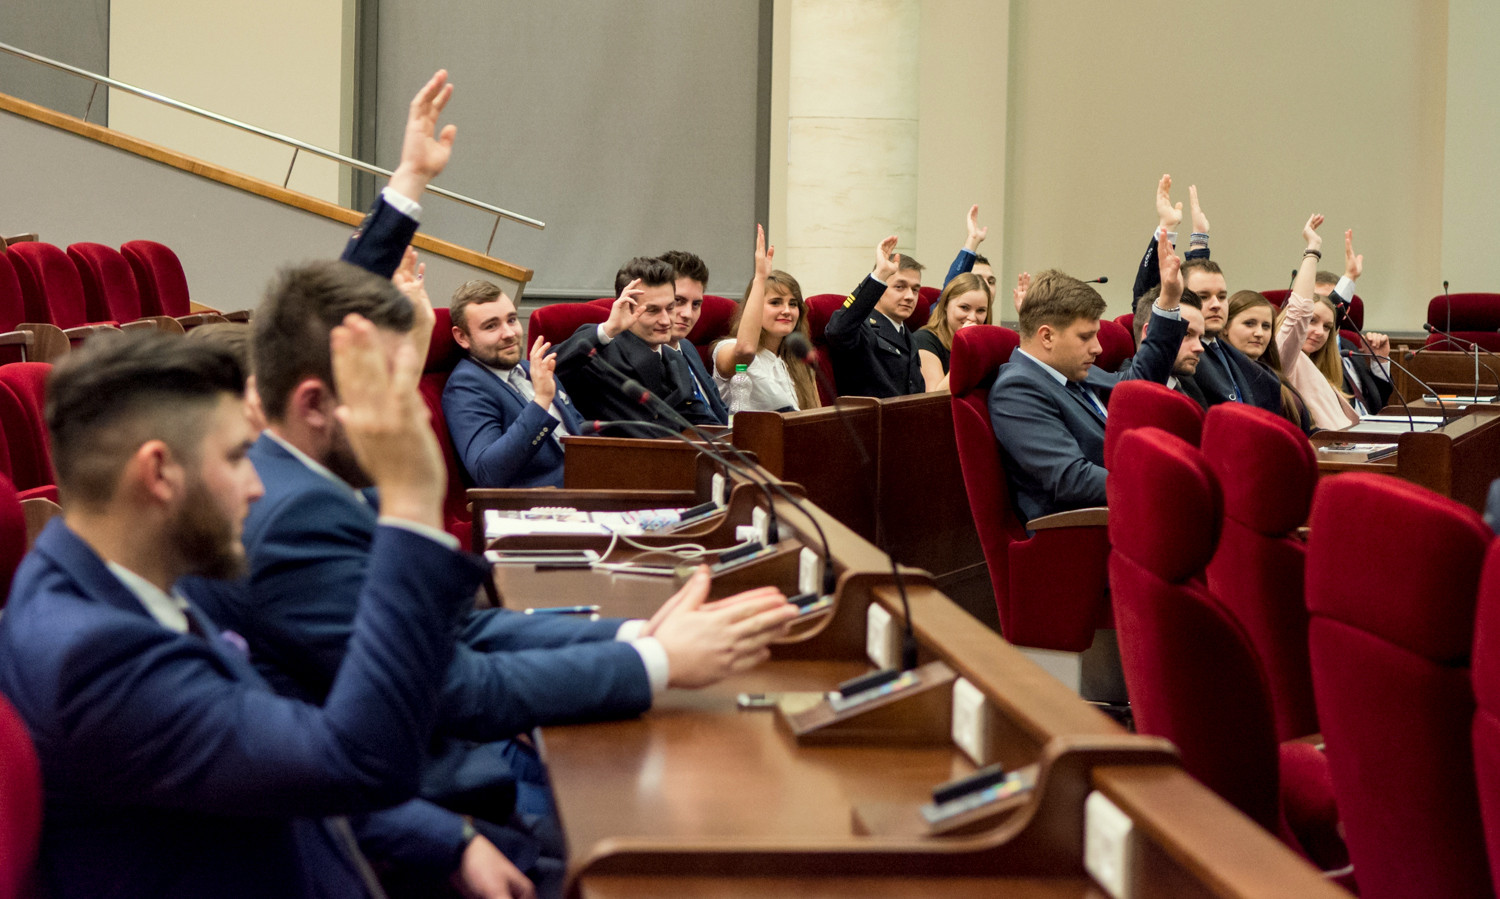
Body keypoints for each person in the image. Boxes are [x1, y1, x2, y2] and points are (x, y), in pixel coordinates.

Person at [0, 324, 495, 898]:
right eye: (238, 456)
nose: (257, 486)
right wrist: (410, 506)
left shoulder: (101, 574)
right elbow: (353, 761)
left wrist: (449, 840)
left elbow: (264, 754)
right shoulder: (93, 656)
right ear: (159, 473)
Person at [989, 229, 1187, 523]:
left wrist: (1169, 299)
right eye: (1085, 337)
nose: (1098, 348)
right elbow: (1072, 479)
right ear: (1047, 336)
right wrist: (1155, 484)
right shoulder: (1017, 389)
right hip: (1080, 529)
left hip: (1122, 508)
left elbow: (1138, 386)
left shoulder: (1068, 369)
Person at [443, 278, 587, 488]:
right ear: (462, 337)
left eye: (511, 320)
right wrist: (541, 402)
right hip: (542, 500)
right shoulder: (465, 386)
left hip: (590, 483)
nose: (510, 334)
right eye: (491, 326)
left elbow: (580, 430)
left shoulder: (531, 368)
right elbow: (488, 472)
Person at [552, 257, 712, 435]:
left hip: (675, 451)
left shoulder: (675, 358)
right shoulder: (602, 350)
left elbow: (699, 421)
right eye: (653, 310)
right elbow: (546, 368)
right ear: (627, 307)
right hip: (615, 451)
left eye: (670, 308)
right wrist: (608, 329)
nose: (666, 320)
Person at [711, 225, 820, 412]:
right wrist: (760, 279)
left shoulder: (798, 361)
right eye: (775, 303)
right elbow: (745, 350)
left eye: (793, 304)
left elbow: (817, 417)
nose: (787, 311)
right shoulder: (727, 348)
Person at [1273, 215, 1359, 431]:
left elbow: (1335, 312)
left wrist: (1350, 278)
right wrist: (1313, 249)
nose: (1320, 332)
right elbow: (1299, 312)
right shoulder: (1285, 357)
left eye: (1327, 327)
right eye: (1311, 321)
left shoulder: (1318, 366)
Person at [824, 236, 926, 398]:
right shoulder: (863, 328)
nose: (909, 296)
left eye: (915, 290)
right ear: (880, 288)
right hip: (870, 414)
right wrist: (879, 275)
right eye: (899, 287)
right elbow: (837, 331)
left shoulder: (908, 334)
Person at [1312, 234, 1393, 415]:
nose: (1322, 306)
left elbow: (1378, 403)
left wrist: (1379, 361)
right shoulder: (1309, 350)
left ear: (1345, 310)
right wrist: (1350, 278)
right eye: (1314, 299)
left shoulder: (1349, 346)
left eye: (1328, 301)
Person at [1223, 290, 1314, 432]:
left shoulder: (1272, 373)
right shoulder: (1222, 373)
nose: (1259, 333)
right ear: (1225, 327)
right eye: (1249, 324)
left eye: (1266, 326)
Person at [659, 250, 728, 424]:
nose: (688, 314)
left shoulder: (687, 347)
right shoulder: (646, 358)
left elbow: (720, 410)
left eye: (696, 304)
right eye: (678, 301)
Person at [914, 272, 993, 391]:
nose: (972, 317)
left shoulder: (987, 344)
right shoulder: (923, 340)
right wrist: (965, 348)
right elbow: (935, 396)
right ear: (945, 305)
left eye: (980, 310)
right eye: (964, 308)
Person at [1132, 288, 1206, 407]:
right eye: (1186, 333)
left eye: (1200, 338)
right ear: (1149, 333)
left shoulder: (1190, 386)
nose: (1199, 348)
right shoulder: (1132, 394)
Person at [941, 204, 997, 295]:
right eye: (978, 280)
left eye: (991, 282)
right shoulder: (948, 303)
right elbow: (950, 290)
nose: (986, 286)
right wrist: (973, 240)